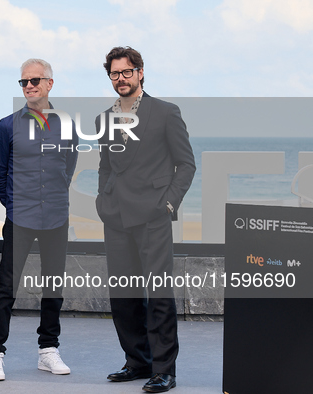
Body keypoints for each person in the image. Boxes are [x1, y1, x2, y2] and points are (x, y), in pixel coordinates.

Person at [95, 46, 196, 392]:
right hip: (116, 217)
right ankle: (138, 361)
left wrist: (168, 204)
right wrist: (101, 200)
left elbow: (186, 165)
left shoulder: (166, 112)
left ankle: (164, 369)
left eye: (126, 72)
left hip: (153, 215)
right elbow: (106, 165)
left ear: (140, 72)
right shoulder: (103, 119)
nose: (120, 79)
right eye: (114, 73)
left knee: (159, 295)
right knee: (123, 295)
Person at [0, 59, 77, 381]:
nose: (29, 86)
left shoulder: (66, 125)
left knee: (53, 285)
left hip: (55, 217)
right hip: (20, 218)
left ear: (50, 83)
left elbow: (68, 166)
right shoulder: (7, 125)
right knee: (6, 287)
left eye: (35, 80)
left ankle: (48, 350)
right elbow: (0, 173)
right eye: (23, 82)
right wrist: (14, 204)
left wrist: (51, 197)